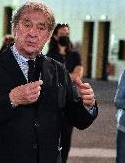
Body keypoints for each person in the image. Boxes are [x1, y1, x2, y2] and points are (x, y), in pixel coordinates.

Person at [0, 1, 98, 163]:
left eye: (41, 28)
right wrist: (11, 100)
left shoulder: (58, 70)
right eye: (27, 25)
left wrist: (88, 105)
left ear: (48, 36)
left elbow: (79, 120)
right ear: (15, 28)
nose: (33, 33)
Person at [47, 23, 83, 163]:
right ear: (55, 36)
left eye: (67, 34)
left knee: (66, 139)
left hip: (70, 102)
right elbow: (49, 78)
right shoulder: (49, 56)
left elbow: (78, 74)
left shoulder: (75, 55)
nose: (65, 36)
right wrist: (69, 75)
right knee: (51, 137)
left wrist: (60, 76)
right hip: (53, 103)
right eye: (62, 34)